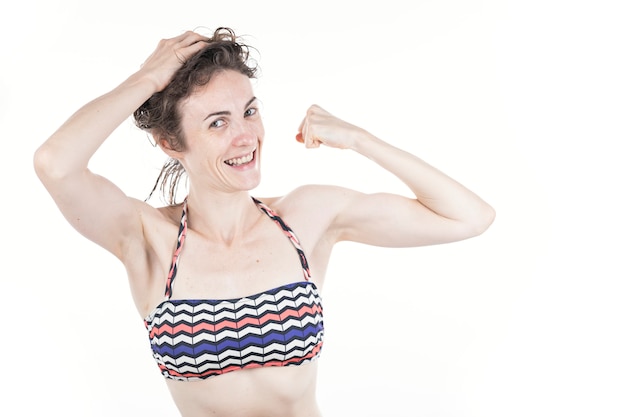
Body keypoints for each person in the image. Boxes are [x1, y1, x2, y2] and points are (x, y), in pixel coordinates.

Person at [34, 27, 495, 417]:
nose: (245, 136)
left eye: (249, 111)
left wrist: (359, 139)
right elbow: (55, 163)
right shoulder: (146, 239)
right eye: (217, 123)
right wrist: (149, 77)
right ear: (170, 143)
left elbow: (470, 216)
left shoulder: (305, 218)